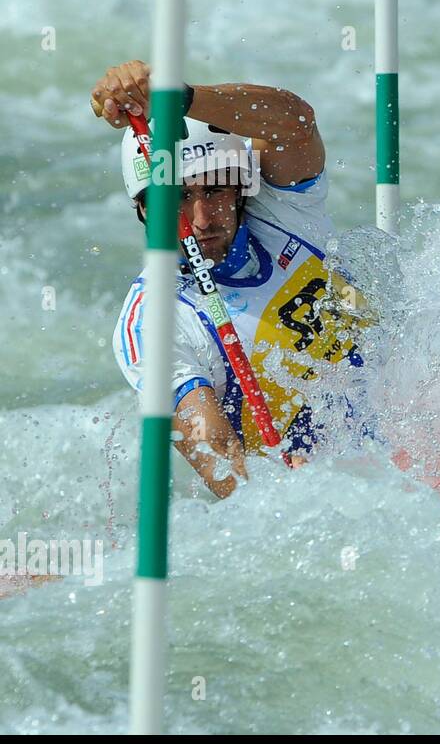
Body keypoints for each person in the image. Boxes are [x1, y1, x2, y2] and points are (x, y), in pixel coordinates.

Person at [94, 60, 369, 498]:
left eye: (215, 191)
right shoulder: (153, 322)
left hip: (423, 420)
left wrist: (182, 97)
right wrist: (287, 497)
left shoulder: (285, 210)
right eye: (179, 197)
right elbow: (220, 456)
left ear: (241, 189)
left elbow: (296, 123)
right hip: (338, 484)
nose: (202, 219)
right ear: (144, 208)